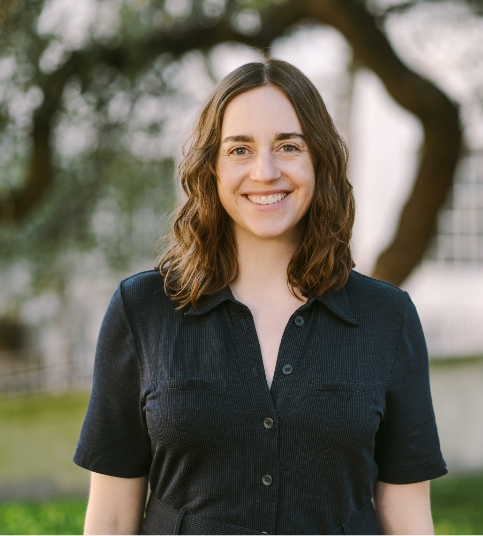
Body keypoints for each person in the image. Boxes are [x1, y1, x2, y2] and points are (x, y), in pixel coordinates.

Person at [73, 59, 447, 535]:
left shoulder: (387, 318)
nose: (265, 171)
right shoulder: (141, 311)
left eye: (288, 146)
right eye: (240, 150)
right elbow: (109, 519)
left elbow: (409, 518)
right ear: (211, 167)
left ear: (320, 161)